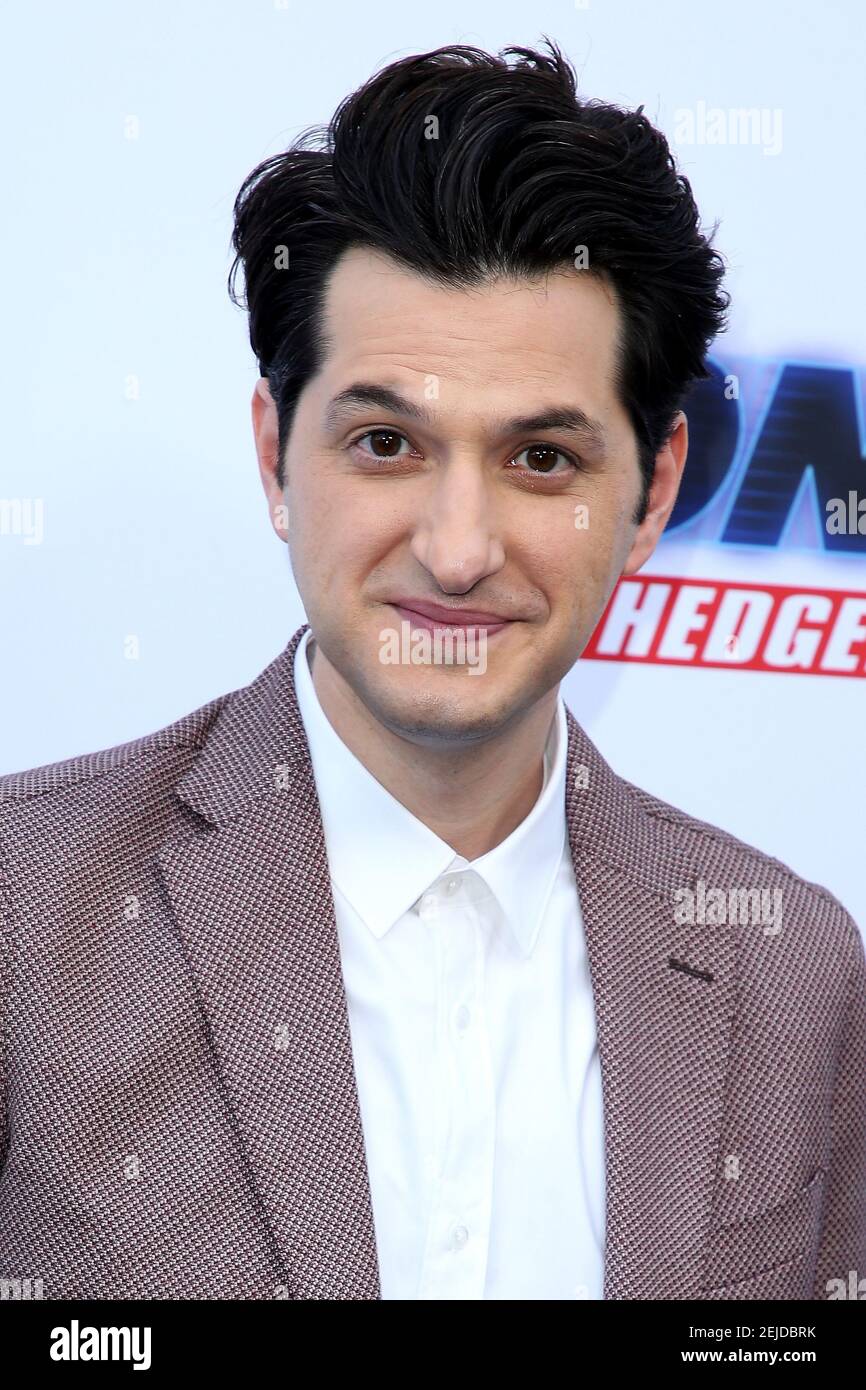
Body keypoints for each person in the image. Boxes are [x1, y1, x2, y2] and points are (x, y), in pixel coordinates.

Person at [1, 40, 862, 1302]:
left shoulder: (792, 969)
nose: (456, 552)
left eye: (542, 461)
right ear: (272, 455)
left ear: (653, 489)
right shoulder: (25, 920)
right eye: (386, 441)